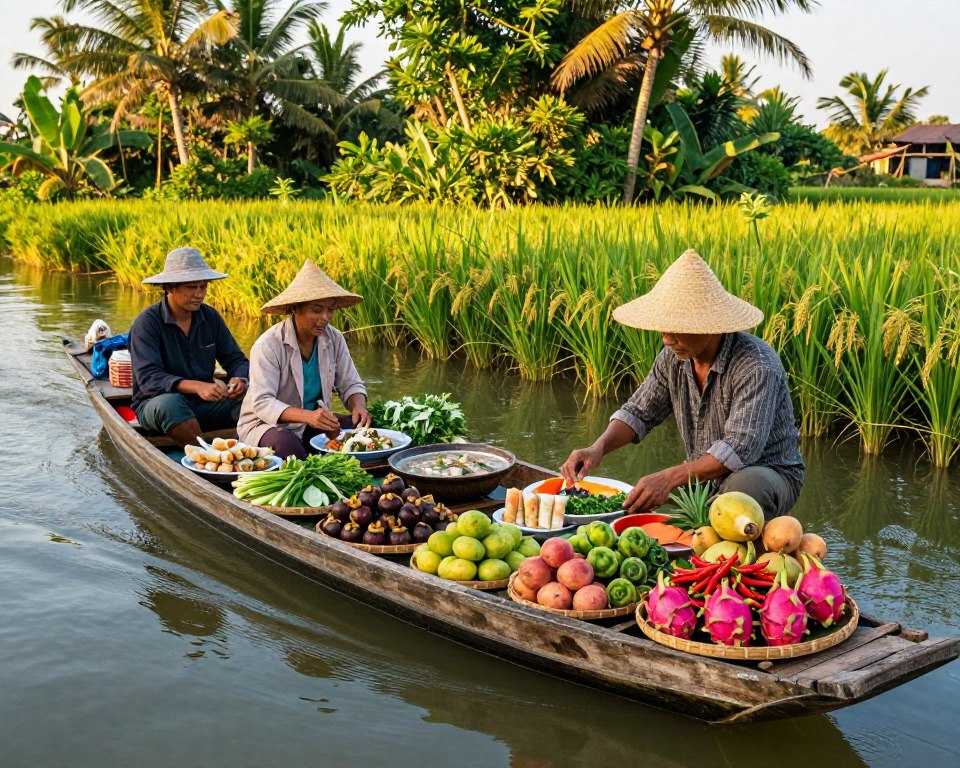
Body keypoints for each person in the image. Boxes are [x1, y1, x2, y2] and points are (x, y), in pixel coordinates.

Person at [561, 249, 804, 520]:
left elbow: (738, 450)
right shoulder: (674, 358)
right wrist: (597, 448)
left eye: (676, 328)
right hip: (705, 476)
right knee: (637, 500)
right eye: (663, 329)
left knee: (743, 486)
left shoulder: (757, 365)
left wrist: (670, 477)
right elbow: (639, 412)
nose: (666, 339)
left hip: (766, 473)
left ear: (709, 325)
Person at [237, 259, 370, 460]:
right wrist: (309, 416)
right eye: (317, 310)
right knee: (287, 445)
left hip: (314, 422)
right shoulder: (269, 345)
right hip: (268, 426)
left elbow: (350, 383)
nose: (325, 317)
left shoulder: (334, 338)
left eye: (331, 309)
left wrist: (358, 406)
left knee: (364, 432)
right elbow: (263, 402)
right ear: (295, 309)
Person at [129, 247, 249, 448]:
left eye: (203, 287)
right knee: (170, 404)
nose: (199, 294)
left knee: (254, 397)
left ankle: (243, 447)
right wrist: (198, 386)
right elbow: (149, 379)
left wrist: (240, 379)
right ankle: (207, 456)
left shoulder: (210, 317)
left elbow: (236, 359)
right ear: (170, 287)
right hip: (156, 405)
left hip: (203, 405)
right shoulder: (146, 323)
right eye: (192, 287)